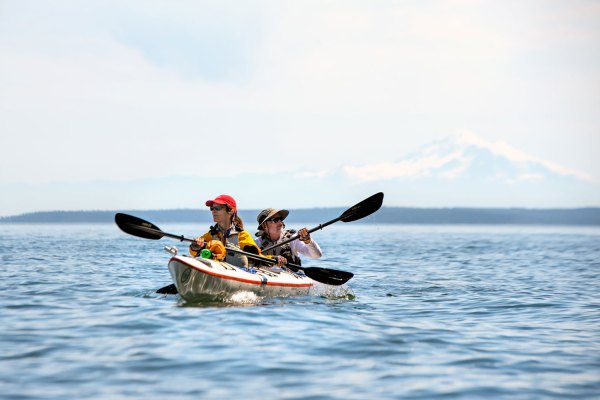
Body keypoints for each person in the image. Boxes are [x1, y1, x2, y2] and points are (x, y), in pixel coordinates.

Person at [189, 194, 261, 268]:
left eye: (217, 208)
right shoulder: (209, 235)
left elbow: (257, 258)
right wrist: (194, 247)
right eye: (212, 208)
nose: (213, 211)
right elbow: (194, 253)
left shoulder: (243, 235)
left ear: (230, 211)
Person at [254, 208, 322, 266]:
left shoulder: (293, 239)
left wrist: (308, 241)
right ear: (264, 226)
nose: (280, 223)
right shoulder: (256, 244)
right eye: (275, 220)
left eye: (280, 219)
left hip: (292, 276)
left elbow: (317, 255)